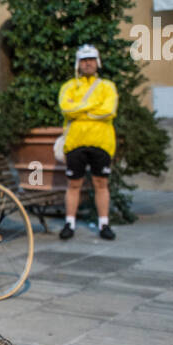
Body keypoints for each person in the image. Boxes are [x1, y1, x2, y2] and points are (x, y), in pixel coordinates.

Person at [58, 44, 118, 240]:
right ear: (78, 63)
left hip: (102, 143)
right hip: (75, 142)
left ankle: (104, 224)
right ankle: (70, 223)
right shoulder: (68, 86)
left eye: (91, 59)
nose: (88, 63)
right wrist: (94, 108)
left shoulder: (107, 86)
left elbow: (109, 110)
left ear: (97, 61)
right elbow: (66, 109)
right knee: (73, 184)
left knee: (101, 183)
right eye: (84, 60)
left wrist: (80, 110)